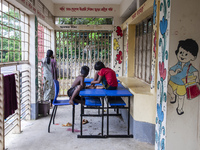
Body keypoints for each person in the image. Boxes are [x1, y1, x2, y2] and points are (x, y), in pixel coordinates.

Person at [168, 39, 199, 115]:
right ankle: (172, 96)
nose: (182, 55)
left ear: (193, 57)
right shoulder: (177, 64)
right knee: (168, 87)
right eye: (181, 52)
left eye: (186, 54)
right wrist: (175, 72)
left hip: (182, 84)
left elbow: (196, 72)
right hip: (173, 81)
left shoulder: (189, 66)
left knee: (181, 97)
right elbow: (170, 71)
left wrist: (197, 80)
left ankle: (180, 109)